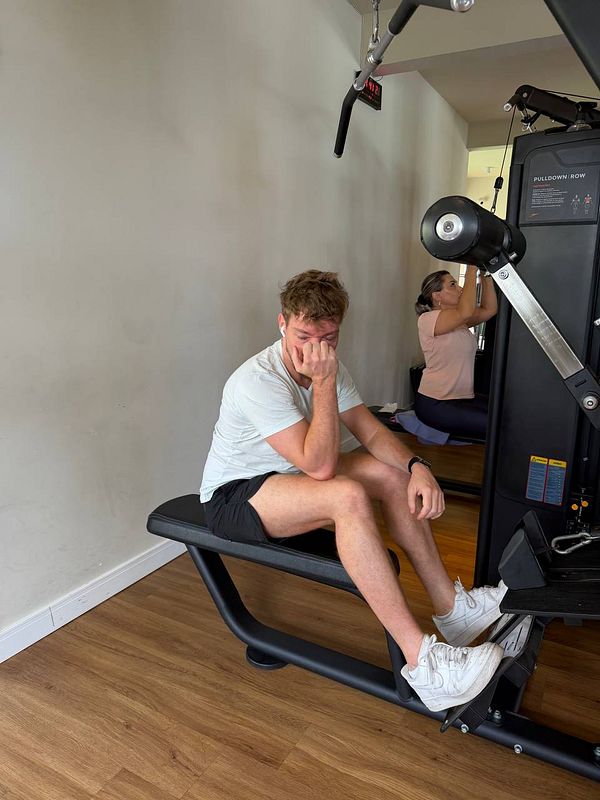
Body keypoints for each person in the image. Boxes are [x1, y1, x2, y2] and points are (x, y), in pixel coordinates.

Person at [200, 269, 506, 712]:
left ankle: (453, 610)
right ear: (282, 323)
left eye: (328, 338)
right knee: (347, 496)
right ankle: (425, 666)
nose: (316, 350)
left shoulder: (328, 363)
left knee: (392, 475)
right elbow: (321, 465)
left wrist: (418, 465)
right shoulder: (257, 380)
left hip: (290, 473)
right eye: (304, 334)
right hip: (235, 496)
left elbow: (370, 432)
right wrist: (323, 384)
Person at [414, 266, 497, 440]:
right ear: (436, 296)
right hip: (436, 403)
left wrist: (485, 272)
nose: (459, 288)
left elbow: (489, 309)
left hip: (464, 397)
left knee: (506, 412)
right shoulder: (427, 320)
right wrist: (471, 269)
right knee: (499, 426)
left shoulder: (459, 321)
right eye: (452, 284)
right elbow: (465, 311)